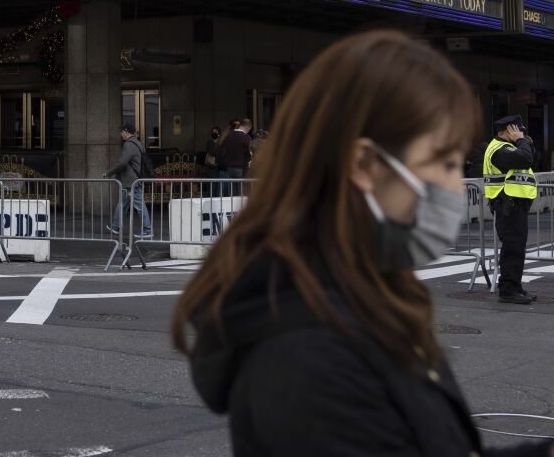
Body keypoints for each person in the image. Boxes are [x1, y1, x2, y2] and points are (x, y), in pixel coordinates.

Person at [171, 29, 551, 457]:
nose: (454, 184)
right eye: (441, 161)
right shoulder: (309, 360)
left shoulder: (363, 289)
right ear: (366, 165)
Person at [484, 114, 539, 304]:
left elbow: (530, 160)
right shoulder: (500, 150)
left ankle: (515, 286)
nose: (522, 133)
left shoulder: (510, 148)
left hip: (515, 205)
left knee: (517, 247)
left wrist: (527, 144)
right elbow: (524, 160)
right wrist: (521, 142)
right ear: (510, 130)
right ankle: (507, 289)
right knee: (512, 247)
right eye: (519, 130)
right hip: (508, 204)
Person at [104, 123, 152, 237]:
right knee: (123, 204)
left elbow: (122, 163)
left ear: (126, 131)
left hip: (131, 181)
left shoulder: (129, 145)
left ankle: (148, 229)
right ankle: (115, 227)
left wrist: (108, 172)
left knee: (139, 205)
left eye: (122, 132)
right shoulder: (139, 143)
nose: (121, 134)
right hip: (133, 180)